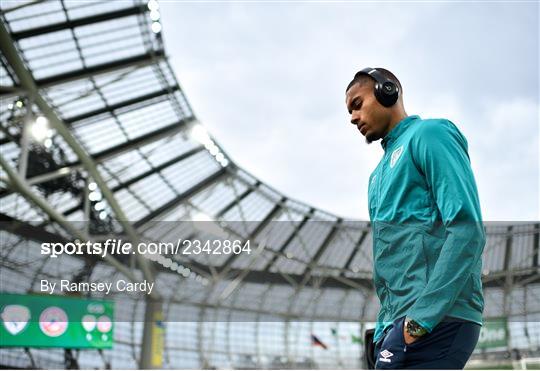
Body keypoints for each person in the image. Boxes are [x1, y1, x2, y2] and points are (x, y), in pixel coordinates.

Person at [345, 67, 486, 369]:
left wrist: (419, 321)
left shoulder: (430, 134)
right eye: (349, 111)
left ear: (388, 91)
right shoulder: (376, 177)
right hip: (396, 325)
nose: (353, 117)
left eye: (357, 104)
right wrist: (385, 329)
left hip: (436, 317)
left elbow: (466, 229)